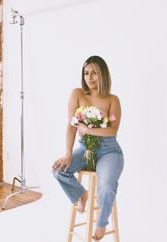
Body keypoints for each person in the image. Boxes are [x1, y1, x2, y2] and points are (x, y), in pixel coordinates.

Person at [52, 55, 124, 241]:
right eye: (86, 73)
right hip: (85, 149)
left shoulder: (113, 100)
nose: (89, 77)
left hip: (109, 150)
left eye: (94, 73)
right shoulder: (77, 94)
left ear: (103, 75)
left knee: (106, 187)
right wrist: (68, 153)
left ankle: (101, 223)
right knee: (59, 170)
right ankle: (81, 194)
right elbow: (70, 125)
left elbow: (112, 130)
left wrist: (86, 128)